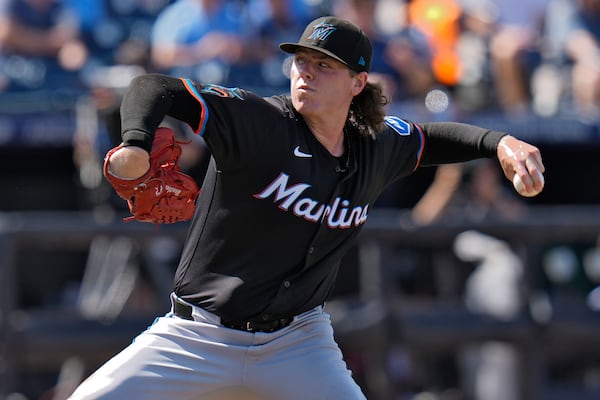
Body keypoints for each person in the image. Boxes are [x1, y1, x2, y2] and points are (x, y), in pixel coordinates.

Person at [67, 16, 545, 399]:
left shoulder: (376, 145)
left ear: (358, 83)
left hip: (296, 344)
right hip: (197, 338)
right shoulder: (261, 122)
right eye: (301, 61)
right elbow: (155, 87)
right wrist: (135, 142)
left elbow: (433, 138)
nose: (306, 72)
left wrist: (499, 142)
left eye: (325, 65)